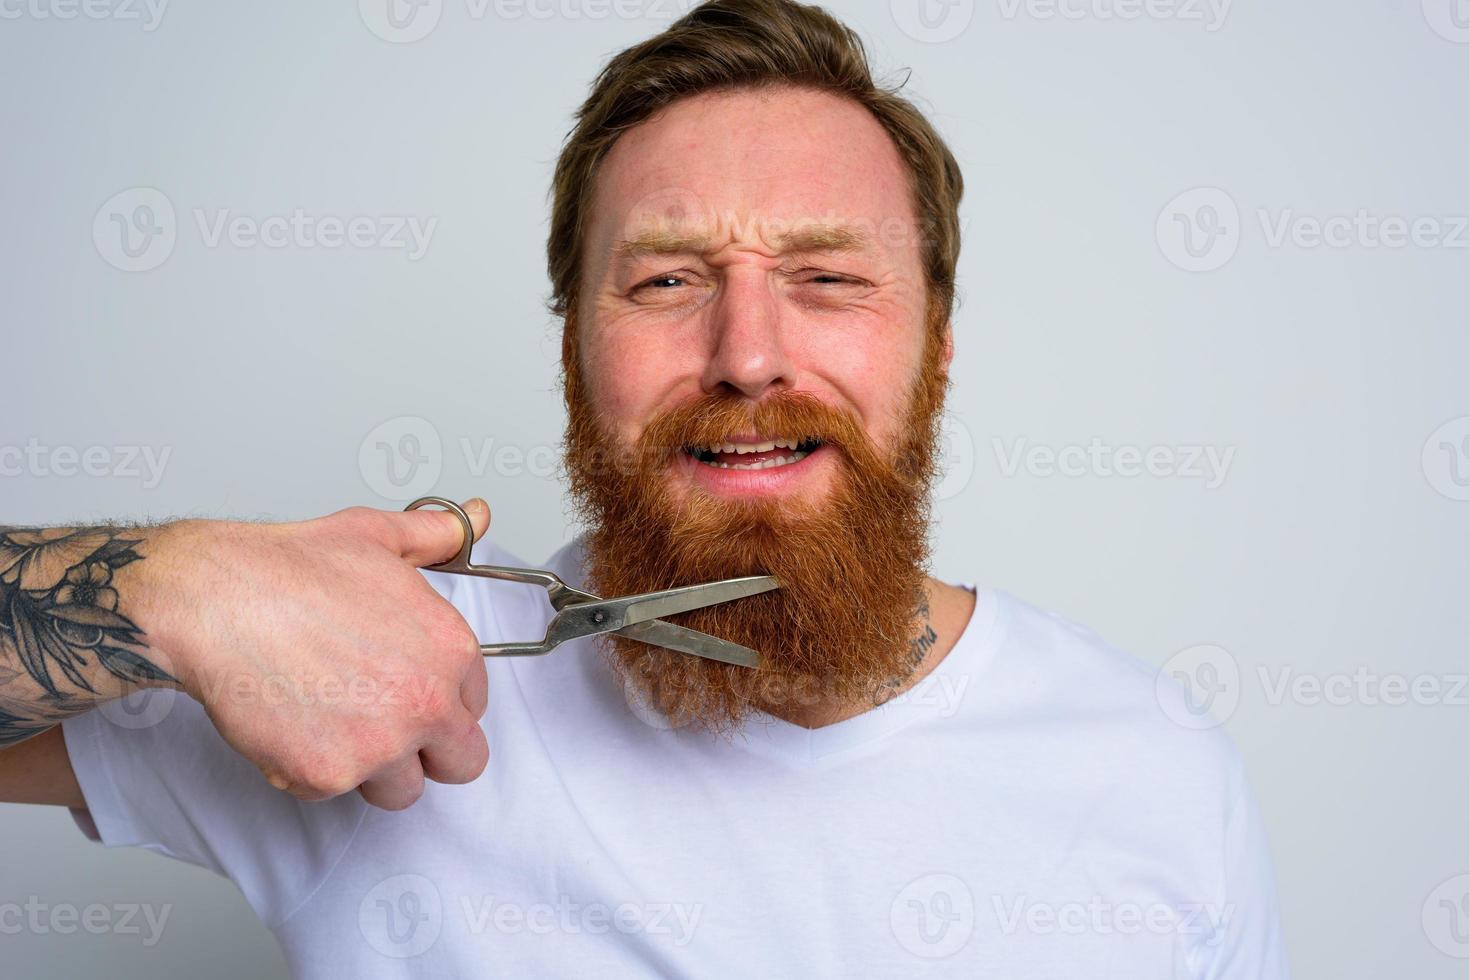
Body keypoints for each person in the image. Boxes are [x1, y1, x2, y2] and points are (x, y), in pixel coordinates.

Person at [0, 0, 1289, 974]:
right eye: (666, 281)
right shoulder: (370, 670)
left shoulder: (1153, 772)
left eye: (829, 277)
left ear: (937, 348)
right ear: (574, 352)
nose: (747, 356)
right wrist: (175, 585)